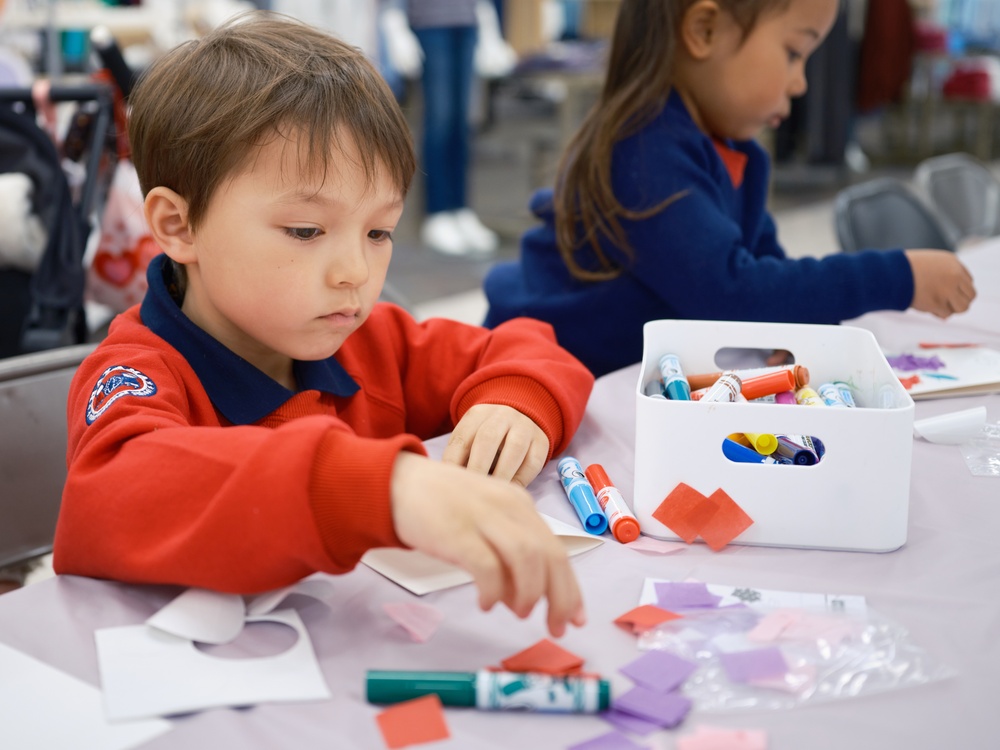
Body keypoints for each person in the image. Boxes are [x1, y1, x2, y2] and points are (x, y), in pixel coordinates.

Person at [52, 12, 594, 638]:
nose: (354, 271)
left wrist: (517, 401)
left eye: (379, 232)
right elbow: (115, 495)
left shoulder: (370, 342)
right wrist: (381, 490)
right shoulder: (134, 373)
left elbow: (524, 348)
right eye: (306, 231)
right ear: (178, 226)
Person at [482, 0, 977, 378]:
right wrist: (897, 276)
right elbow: (734, 293)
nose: (801, 84)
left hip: (624, 375)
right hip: (531, 374)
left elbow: (769, 282)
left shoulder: (740, 154)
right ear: (704, 30)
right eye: (792, 53)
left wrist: (789, 333)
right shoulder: (641, 151)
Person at [380, 0, 512, 256]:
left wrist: (488, 23)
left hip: (467, 21)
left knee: (462, 123)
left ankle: (460, 207)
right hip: (430, 23)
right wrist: (394, 20)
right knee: (439, 120)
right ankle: (437, 211)